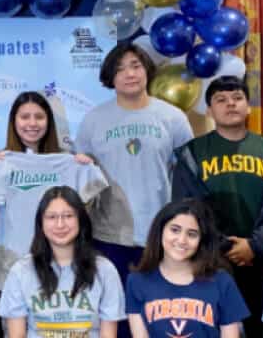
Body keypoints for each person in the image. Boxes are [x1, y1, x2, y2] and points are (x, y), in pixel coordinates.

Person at [171, 76, 263, 338]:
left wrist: (254, 245)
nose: (230, 104)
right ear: (209, 110)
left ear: (248, 106)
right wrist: (224, 246)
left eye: (237, 98)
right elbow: (186, 206)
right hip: (212, 260)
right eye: (221, 100)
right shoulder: (191, 153)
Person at [76, 43, 194, 317]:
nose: (129, 74)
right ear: (109, 78)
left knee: (162, 314)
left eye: (135, 66)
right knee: (117, 315)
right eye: (120, 69)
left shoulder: (173, 117)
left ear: (147, 70)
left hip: (163, 234)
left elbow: (189, 174)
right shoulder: (93, 120)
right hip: (109, 235)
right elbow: (83, 180)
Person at [0, 92, 107, 295]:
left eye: (39, 117)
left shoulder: (67, 162)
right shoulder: (2, 162)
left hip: (60, 263)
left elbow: (87, 207)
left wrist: (86, 167)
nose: (32, 123)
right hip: (14, 262)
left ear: (49, 121)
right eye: (24, 117)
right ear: (13, 121)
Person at [0, 186, 124, 338]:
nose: (60, 225)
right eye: (51, 217)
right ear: (41, 223)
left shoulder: (105, 270)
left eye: (68, 216)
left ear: (80, 220)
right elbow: (16, 335)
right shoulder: (21, 271)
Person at [123, 199, 248, 338]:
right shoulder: (136, 281)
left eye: (192, 234)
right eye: (175, 230)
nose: (182, 240)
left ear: (202, 239)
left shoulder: (222, 281)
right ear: (160, 230)